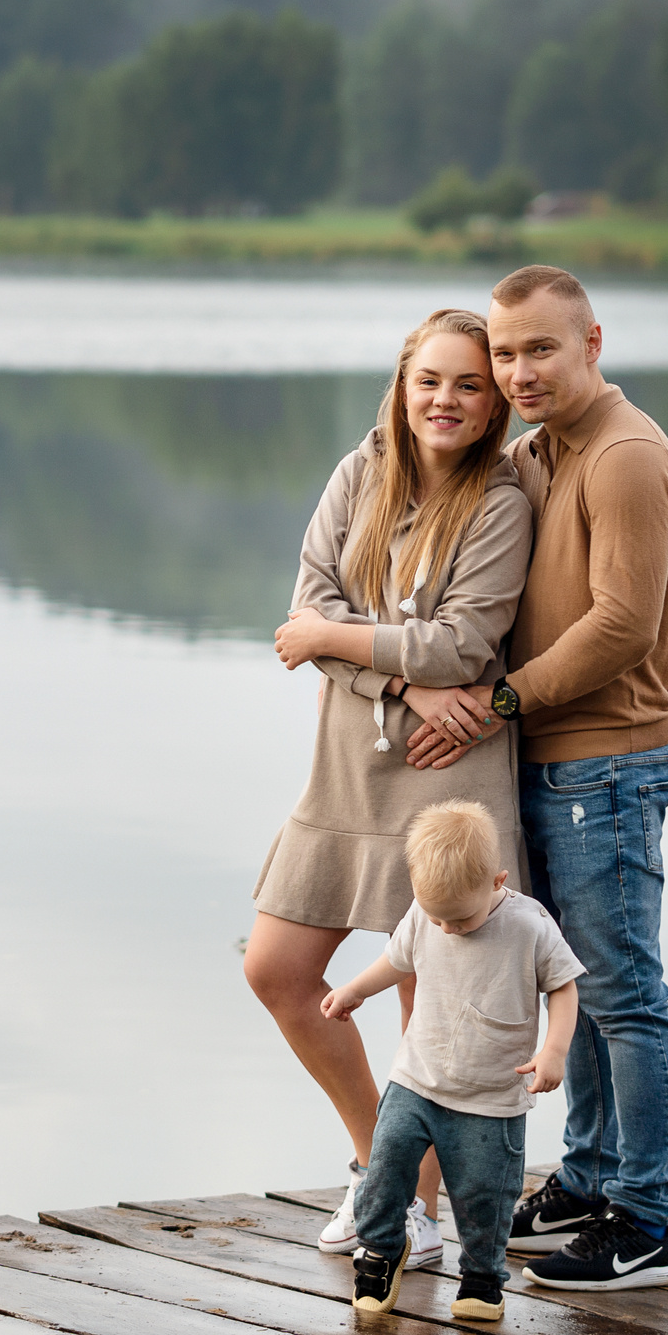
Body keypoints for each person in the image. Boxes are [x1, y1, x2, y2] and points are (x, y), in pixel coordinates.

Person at [404, 264, 668, 1293]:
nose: (517, 370)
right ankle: (583, 1182)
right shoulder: (539, 454)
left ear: (592, 344)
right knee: (578, 978)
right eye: (504, 351)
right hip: (554, 765)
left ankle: (646, 1218)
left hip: (607, 762)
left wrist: (499, 702)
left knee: (622, 994)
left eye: (540, 349)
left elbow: (618, 626)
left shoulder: (620, 457)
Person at [247, 307, 534, 1270]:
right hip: (347, 773)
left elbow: (462, 641)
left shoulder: (501, 499)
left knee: (429, 1008)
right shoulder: (362, 468)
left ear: (492, 402)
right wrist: (403, 681)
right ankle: (381, 1162)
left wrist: (343, 645)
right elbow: (309, 610)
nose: (446, 399)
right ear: (402, 384)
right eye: (430, 380)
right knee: (276, 970)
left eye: (468, 384)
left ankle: (411, 1209)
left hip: (447, 783)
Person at [322, 800, 580, 1321]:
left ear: (497, 881)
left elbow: (564, 987)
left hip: (491, 1098)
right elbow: (395, 960)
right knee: (386, 1170)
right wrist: (355, 990)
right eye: (435, 915)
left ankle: (482, 1279)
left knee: (485, 1194)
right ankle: (381, 1249)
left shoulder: (529, 926)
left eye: (460, 917)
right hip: (415, 1080)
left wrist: (554, 1050)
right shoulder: (426, 914)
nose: (446, 928)